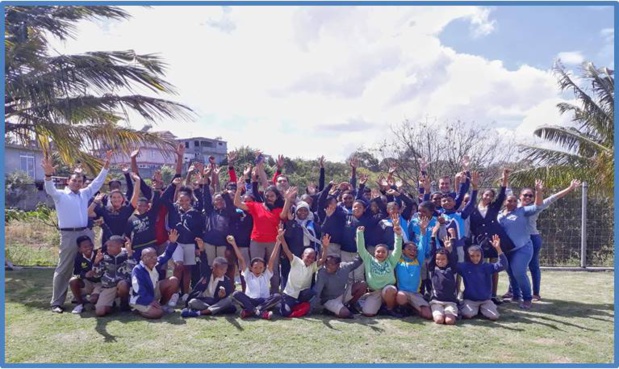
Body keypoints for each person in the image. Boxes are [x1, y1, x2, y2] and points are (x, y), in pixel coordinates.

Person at [42, 150, 112, 313]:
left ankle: (87, 296)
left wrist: (106, 165)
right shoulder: (60, 195)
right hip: (68, 235)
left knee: (92, 263)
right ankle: (57, 303)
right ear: (68, 181)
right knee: (64, 268)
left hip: (85, 233)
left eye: (80, 180)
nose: (77, 183)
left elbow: (98, 182)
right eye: (74, 180)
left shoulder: (85, 193)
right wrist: (47, 175)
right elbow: (50, 189)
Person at [514, 179, 581, 301]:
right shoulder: (515, 206)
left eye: (531, 195)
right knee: (516, 265)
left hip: (532, 238)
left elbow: (553, 197)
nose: (528, 197)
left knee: (533, 266)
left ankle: (536, 293)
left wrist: (570, 188)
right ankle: (513, 292)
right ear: (520, 196)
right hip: (518, 239)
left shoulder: (537, 206)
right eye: (525, 195)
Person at [233, 178, 292, 293]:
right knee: (255, 266)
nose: (269, 198)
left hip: (273, 242)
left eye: (272, 196)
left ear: (276, 197)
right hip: (256, 241)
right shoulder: (256, 206)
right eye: (267, 195)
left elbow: (284, 215)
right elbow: (237, 203)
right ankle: (255, 292)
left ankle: (274, 293)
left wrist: (288, 200)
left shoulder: (278, 209)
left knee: (273, 268)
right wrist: (239, 190)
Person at [468, 168, 515, 305]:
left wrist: (504, 179)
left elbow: (502, 195)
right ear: (482, 195)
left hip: (494, 240)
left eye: (491, 196)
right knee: (480, 267)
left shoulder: (494, 208)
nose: (488, 197)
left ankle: (493, 295)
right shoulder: (473, 209)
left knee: (494, 267)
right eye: (486, 195)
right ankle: (480, 293)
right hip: (479, 242)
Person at [497, 180, 542, 310]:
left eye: (514, 201)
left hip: (523, 247)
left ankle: (528, 298)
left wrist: (539, 191)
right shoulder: (499, 215)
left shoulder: (522, 211)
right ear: (505, 202)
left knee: (519, 272)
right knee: (511, 273)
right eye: (508, 201)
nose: (511, 203)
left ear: (517, 203)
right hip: (507, 249)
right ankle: (516, 295)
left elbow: (538, 205)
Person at [355, 213, 403, 317]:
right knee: (368, 313)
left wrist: (398, 234)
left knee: (390, 290)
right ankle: (373, 302)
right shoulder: (369, 260)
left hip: (387, 290)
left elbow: (398, 250)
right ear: (374, 252)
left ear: (387, 253)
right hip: (375, 292)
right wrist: (360, 233)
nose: (380, 254)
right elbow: (361, 249)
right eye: (378, 252)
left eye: (383, 252)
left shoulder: (391, 261)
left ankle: (389, 309)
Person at [129, 229, 181, 319]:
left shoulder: (156, 263)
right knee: (157, 313)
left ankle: (161, 305)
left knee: (173, 281)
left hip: (152, 292)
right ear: (142, 258)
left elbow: (167, 254)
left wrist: (172, 242)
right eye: (148, 256)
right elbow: (139, 290)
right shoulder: (138, 270)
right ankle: (138, 309)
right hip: (140, 298)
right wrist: (150, 301)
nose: (152, 258)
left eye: (154, 256)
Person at [228, 235, 282, 320]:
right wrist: (233, 244)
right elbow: (241, 259)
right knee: (236, 294)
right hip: (250, 301)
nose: (258, 270)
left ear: (264, 268)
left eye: (260, 268)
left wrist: (278, 243)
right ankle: (260, 312)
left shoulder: (266, 275)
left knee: (277, 296)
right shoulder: (248, 275)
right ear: (251, 268)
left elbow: (271, 260)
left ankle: (251, 311)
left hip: (264, 301)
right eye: (255, 267)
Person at [279, 229, 329, 317]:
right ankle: (292, 307)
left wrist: (325, 247)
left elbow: (323, 259)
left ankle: (297, 306)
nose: (310, 259)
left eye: (312, 258)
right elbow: (286, 250)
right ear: (302, 255)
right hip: (290, 294)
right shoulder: (295, 261)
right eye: (308, 256)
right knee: (285, 313)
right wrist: (282, 238)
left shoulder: (312, 266)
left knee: (310, 293)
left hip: (302, 295)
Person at [458, 235, 508, 321]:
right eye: (472, 256)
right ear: (468, 256)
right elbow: (451, 264)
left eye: (478, 255)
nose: (475, 258)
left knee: (494, 317)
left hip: (485, 300)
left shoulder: (487, 266)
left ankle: (484, 309)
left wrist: (498, 248)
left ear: (481, 255)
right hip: (470, 300)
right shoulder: (464, 267)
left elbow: (503, 265)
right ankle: (475, 309)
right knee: (466, 315)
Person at [88, 173, 141, 251]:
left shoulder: (127, 209)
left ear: (123, 199)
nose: (117, 199)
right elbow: (89, 213)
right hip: (108, 241)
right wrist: (95, 202)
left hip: (123, 241)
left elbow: (135, 194)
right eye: (114, 197)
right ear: (110, 199)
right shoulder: (105, 210)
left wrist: (138, 181)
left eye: (119, 197)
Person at [394, 216, 432, 320]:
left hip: (415, 294)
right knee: (401, 296)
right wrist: (397, 231)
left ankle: (413, 308)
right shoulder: (398, 260)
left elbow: (422, 245)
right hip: (402, 293)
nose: (412, 251)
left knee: (428, 315)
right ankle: (404, 308)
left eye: (414, 250)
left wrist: (423, 230)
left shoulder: (418, 261)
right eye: (409, 249)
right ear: (403, 251)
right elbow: (397, 247)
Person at [92, 235, 136, 317]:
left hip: (124, 286)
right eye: (107, 245)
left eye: (111, 246)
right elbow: (96, 275)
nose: (108, 248)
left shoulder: (128, 254)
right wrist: (96, 263)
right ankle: (113, 305)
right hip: (109, 287)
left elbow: (132, 271)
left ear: (120, 245)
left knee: (123, 284)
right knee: (100, 312)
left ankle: (124, 304)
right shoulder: (104, 256)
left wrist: (130, 254)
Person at [313, 253, 366, 318]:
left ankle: (351, 305)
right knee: (345, 313)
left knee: (362, 285)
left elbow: (356, 263)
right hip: (329, 300)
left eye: (331, 264)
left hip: (342, 294)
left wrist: (361, 250)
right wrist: (312, 308)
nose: (328, 266)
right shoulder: (322, 273)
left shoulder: (344, 267)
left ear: (338, 265)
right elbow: (317, 291)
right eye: (326, 263)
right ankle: (329, 310)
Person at [427, 223, 458, 325]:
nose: (440, 261)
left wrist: (452, 240)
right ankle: (439, 312)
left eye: (443, 259)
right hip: (436, 302)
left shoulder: (451, 268)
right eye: (438, 259)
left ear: (447, 260)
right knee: (439, 320)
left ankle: (455, 312)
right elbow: (432, 254)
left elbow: (454, 257)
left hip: (450, 302)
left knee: (449, 321)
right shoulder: (433, 268)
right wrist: (433, 236)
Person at [69, 235, 102, 314]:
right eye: (85, 246)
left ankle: (91, 301)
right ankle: (79, 304)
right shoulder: (78, 257)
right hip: (87, 282)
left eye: (90, 245)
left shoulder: (99, 253)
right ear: (80, 249)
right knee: (73, 280)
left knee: (93, 300)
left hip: (100, 283)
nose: (89, 248)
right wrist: (85, 275)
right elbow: (76, 274)